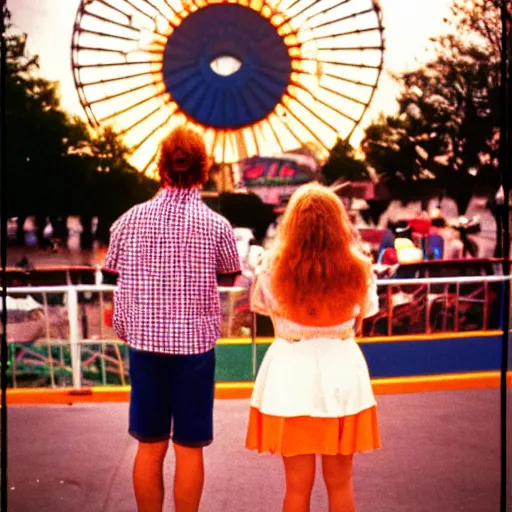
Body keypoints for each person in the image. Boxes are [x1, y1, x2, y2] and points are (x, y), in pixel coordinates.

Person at [104, 126, 241, 512]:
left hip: (145, 347)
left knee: (149, 445)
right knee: (189, 447)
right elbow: (229, 275)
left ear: (162, 167)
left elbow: (113, 269)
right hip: (195, 349)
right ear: (202, 170)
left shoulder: (128, 220)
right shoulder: (217, 226)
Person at [246, 182, 381, 512]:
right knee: (341, 482)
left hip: (291, 375)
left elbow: (265, 310)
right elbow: (364, 316)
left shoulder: (271, 267)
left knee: (296, 486)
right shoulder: (359, 268)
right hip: (342, 375)